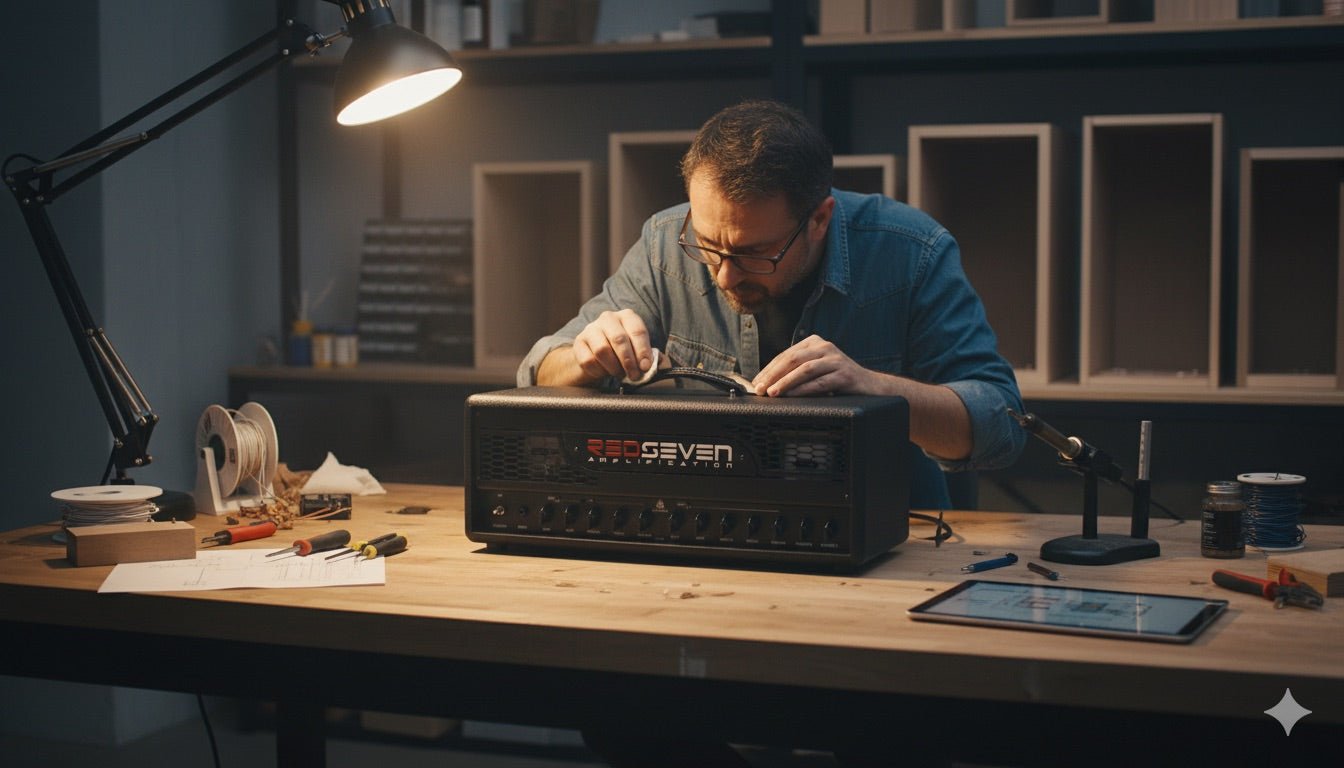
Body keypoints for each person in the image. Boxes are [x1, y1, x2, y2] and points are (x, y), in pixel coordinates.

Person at [519, 98, 1025, 513]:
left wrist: (874, 392)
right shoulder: (664, 242)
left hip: (892, 537)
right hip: (707, 521)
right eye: (708, 243)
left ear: (820, 219)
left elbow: (1001, 427)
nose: (724, 273)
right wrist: (584, 359)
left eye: (755, 253)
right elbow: (537, 370)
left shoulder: (913, 253)